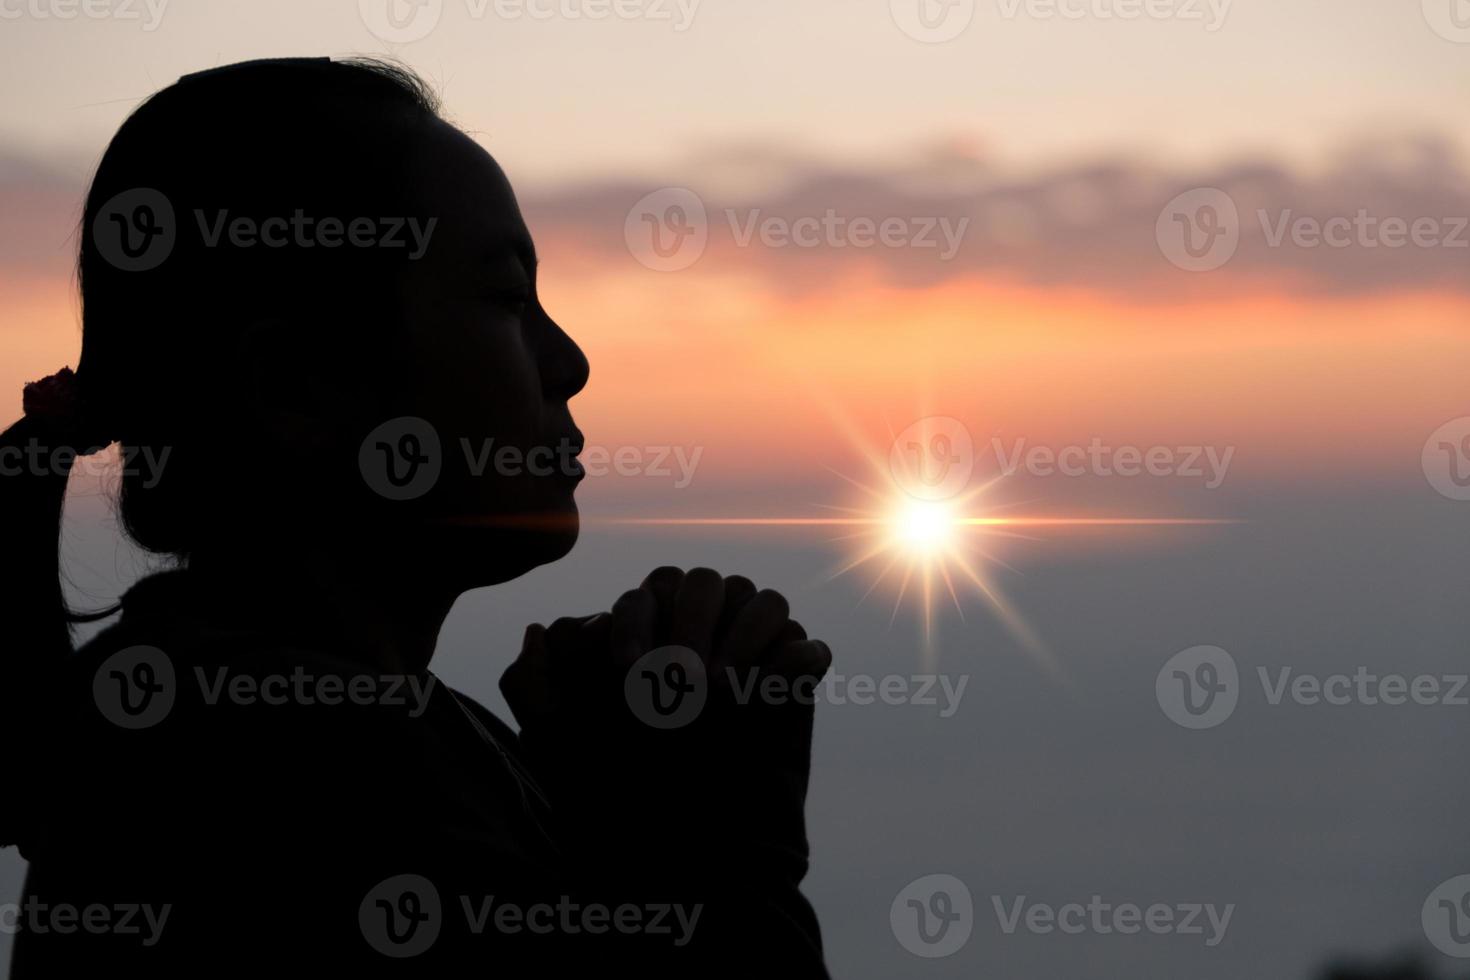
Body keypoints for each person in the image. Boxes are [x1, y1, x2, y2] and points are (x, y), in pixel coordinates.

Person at [0, 56, 831, 976]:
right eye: (508, 298)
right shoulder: (305, 771)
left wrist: (595, 809)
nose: (570, 361)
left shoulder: (239, 720)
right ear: (292, 386)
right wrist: (723, 832)